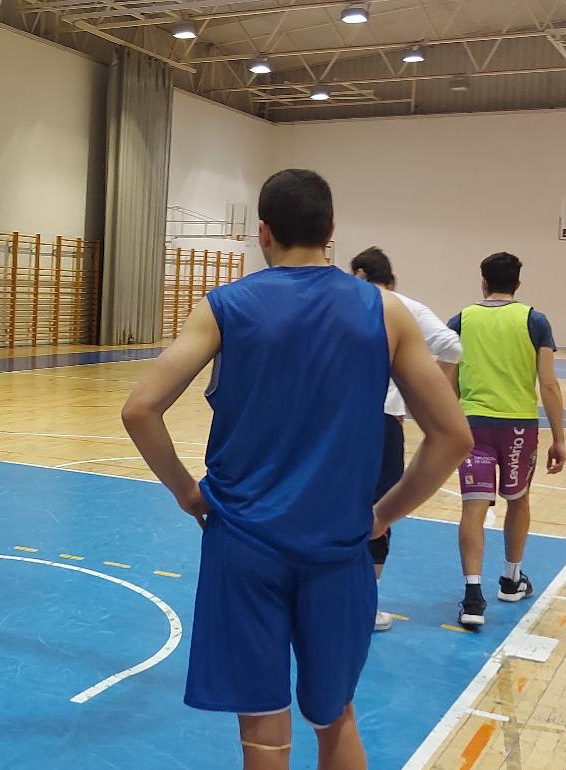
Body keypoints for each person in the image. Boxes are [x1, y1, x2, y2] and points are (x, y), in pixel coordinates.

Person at [122, 169, 471, 770]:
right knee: (336, 719)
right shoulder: (386, 312)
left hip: (244, 543)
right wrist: (382, 516)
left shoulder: (224, 306)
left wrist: (185, 491)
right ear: (332, 231)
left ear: (263, 232)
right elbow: (453, 437)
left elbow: (140, 409)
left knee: (261, 731)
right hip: (338, 544)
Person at [447, 252, 562, 629]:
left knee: (473, 508)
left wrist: (445, 430)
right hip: (518, 428)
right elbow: (548, 383)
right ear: (518, 283)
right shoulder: (535, 321)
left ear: (482, 282)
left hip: (472, 426)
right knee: (518, 499)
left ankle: (472, 597)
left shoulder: (461, 320)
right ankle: (512, 579)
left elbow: (444, 382)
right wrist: (559, 437)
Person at [350, 247, 462, 631]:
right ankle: (363, 603)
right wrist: (435, 391)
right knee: (379, 514)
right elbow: (451, 346)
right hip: (383, 424)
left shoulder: (349, 303)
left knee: (337, 504)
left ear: (361, 274)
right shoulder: (407, 307)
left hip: (340, 421)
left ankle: (336, 598)